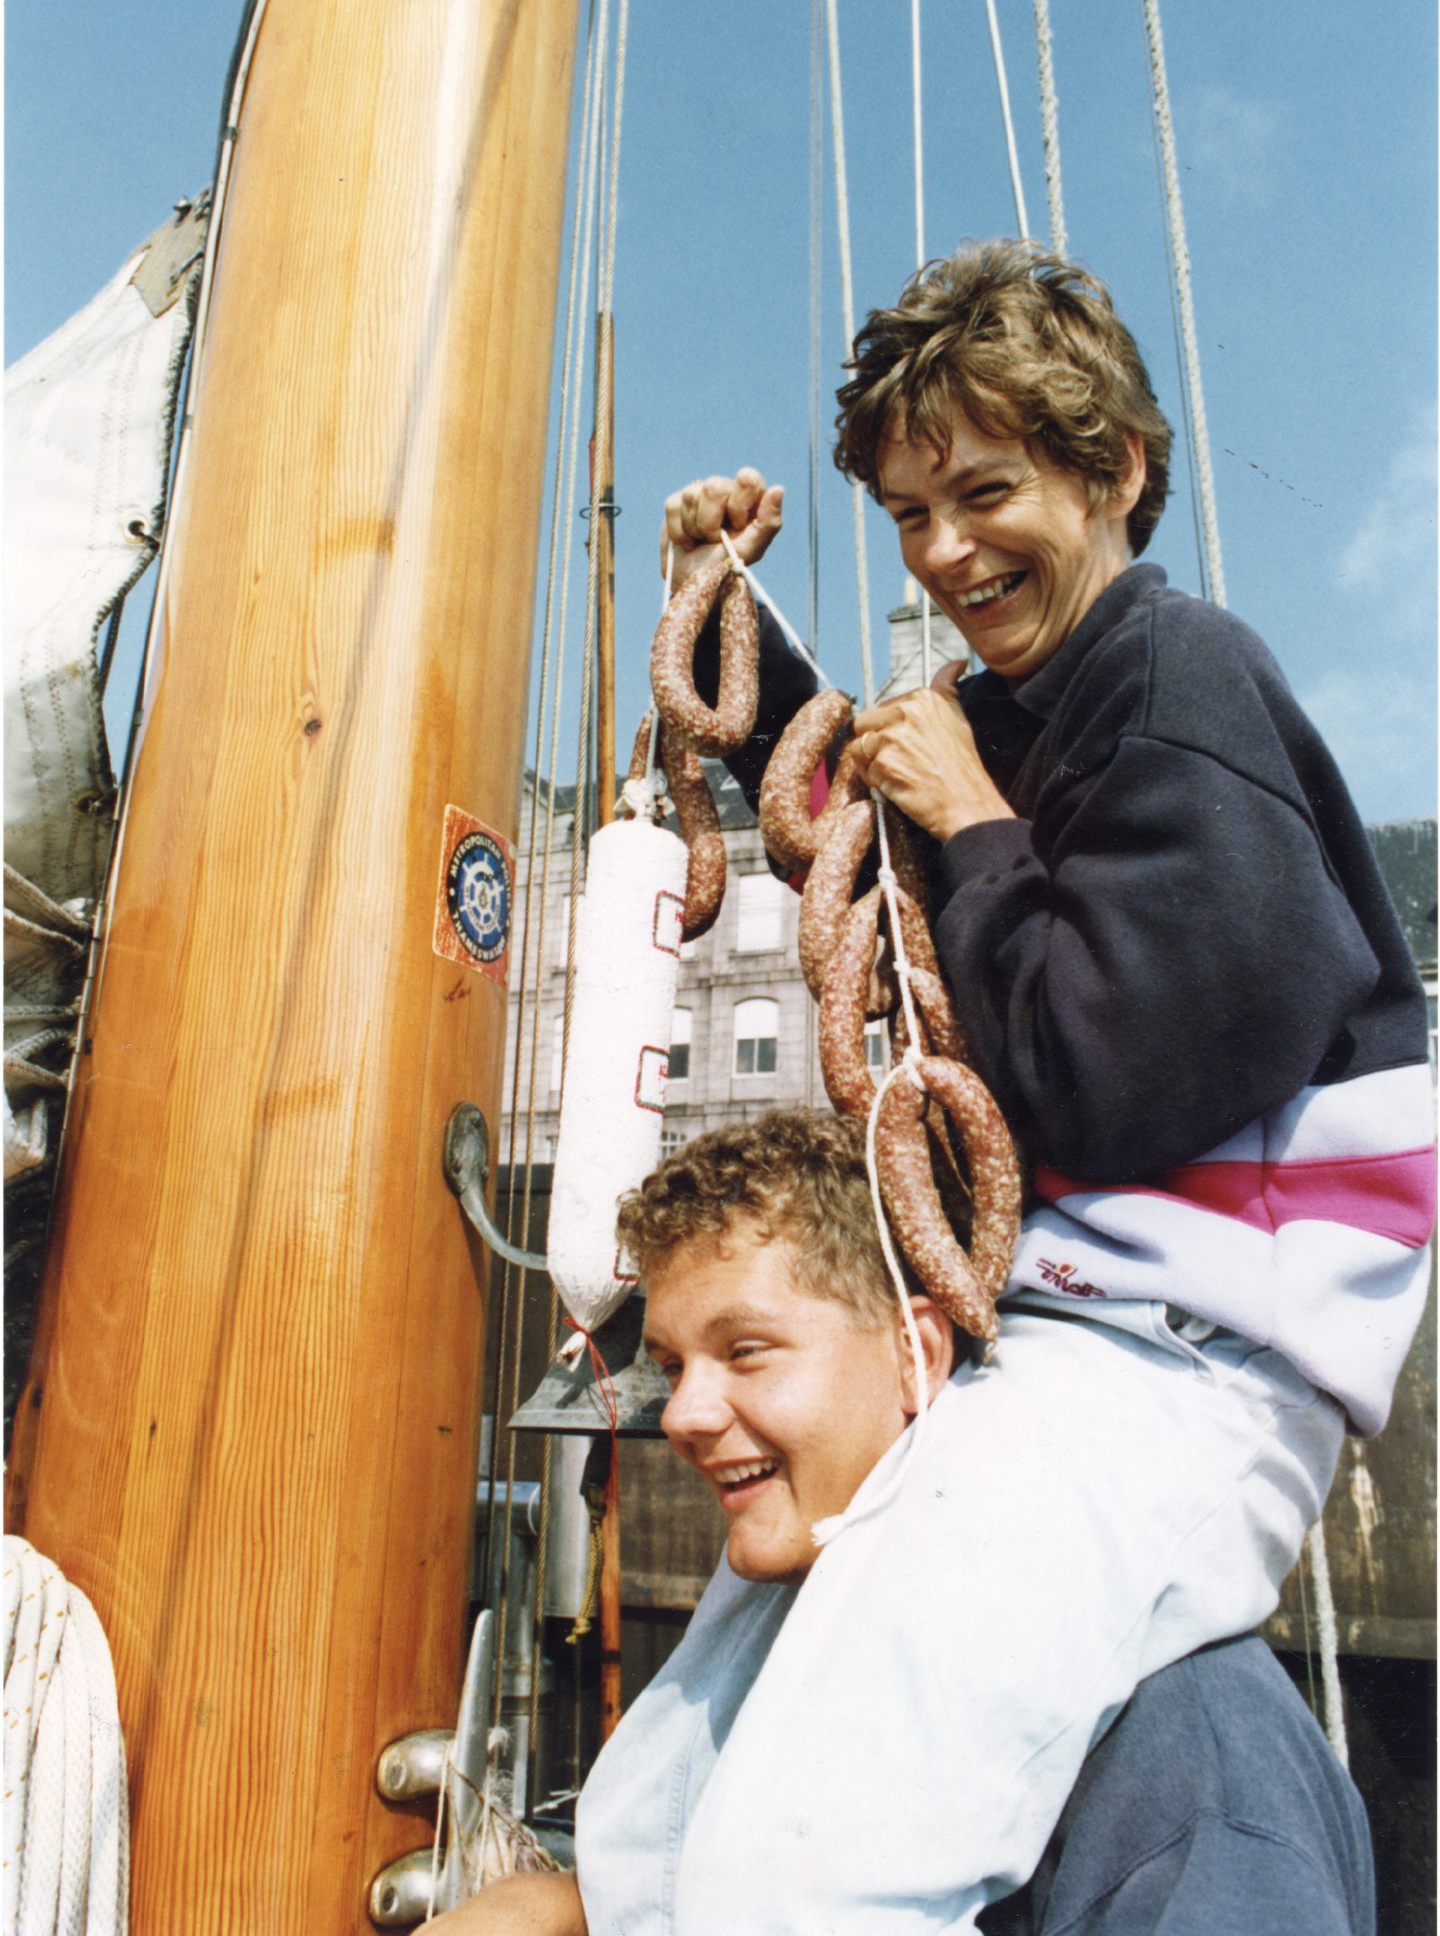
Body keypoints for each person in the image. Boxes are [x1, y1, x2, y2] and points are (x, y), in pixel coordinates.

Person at [636, 240, 1430, 1922]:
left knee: (809, 1862)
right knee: (666, 1785)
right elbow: (859, 833)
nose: (941, 551)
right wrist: (727, 609)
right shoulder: (1023, 708)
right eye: (910, 513)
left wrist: (978, 822)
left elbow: (1107, 1071)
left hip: (1180, 1367)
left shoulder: (1181, 677)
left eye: (982, 492)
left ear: (1116, 467)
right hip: (1058, 1349)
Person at [429, 1111, 1377, 1934]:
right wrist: (555, 1907)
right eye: (674, 1366)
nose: (679, 1415)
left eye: (746, 1351)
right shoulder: (796, 1630)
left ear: (916, 1357)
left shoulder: (1191, 1757)